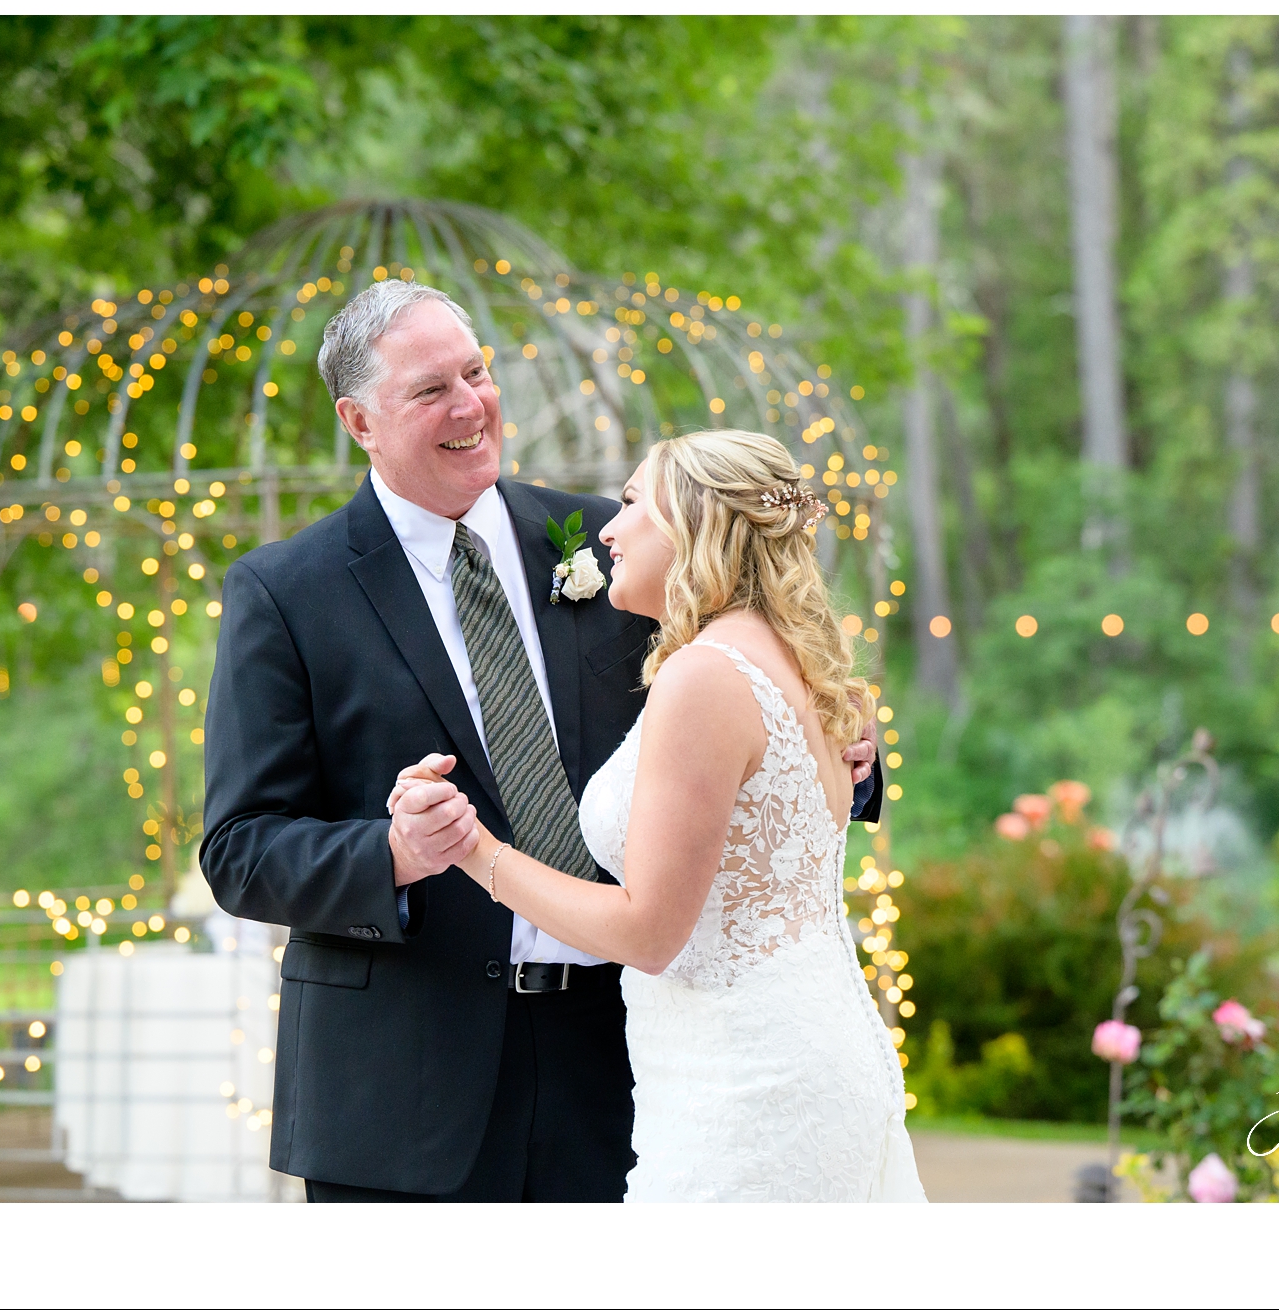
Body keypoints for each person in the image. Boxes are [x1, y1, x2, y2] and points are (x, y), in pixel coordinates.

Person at [198, 280, 882, 1202]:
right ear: (359, 420)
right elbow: (240, 853)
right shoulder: (285, 591)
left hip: (624, 1067)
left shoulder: (623, 541)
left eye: (477, 373)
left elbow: (759, 698)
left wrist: (855, 757)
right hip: (403, 1091)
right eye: (431, 389)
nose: (471, 405)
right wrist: (393, 853)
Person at [391, 429, 925, 1201]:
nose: (606, 527)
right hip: (799, 1044)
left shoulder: (702, 676)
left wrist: (474, 850)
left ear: (696, 524)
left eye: (634, 501)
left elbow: (648, 932)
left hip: (746, 1078)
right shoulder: (801, 660)